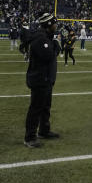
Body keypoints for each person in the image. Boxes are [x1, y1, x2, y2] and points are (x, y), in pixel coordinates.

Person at [24, 13, 61, 148]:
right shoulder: (40, 38)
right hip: (40, 78)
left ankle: (44, 131)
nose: (56, 26)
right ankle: (30, 137)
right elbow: (49, 55)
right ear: (48, 25)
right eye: (54, 23)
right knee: (36, 108)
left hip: (46, 78)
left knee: (45, 107)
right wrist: (56, 44)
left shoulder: (45, 36)